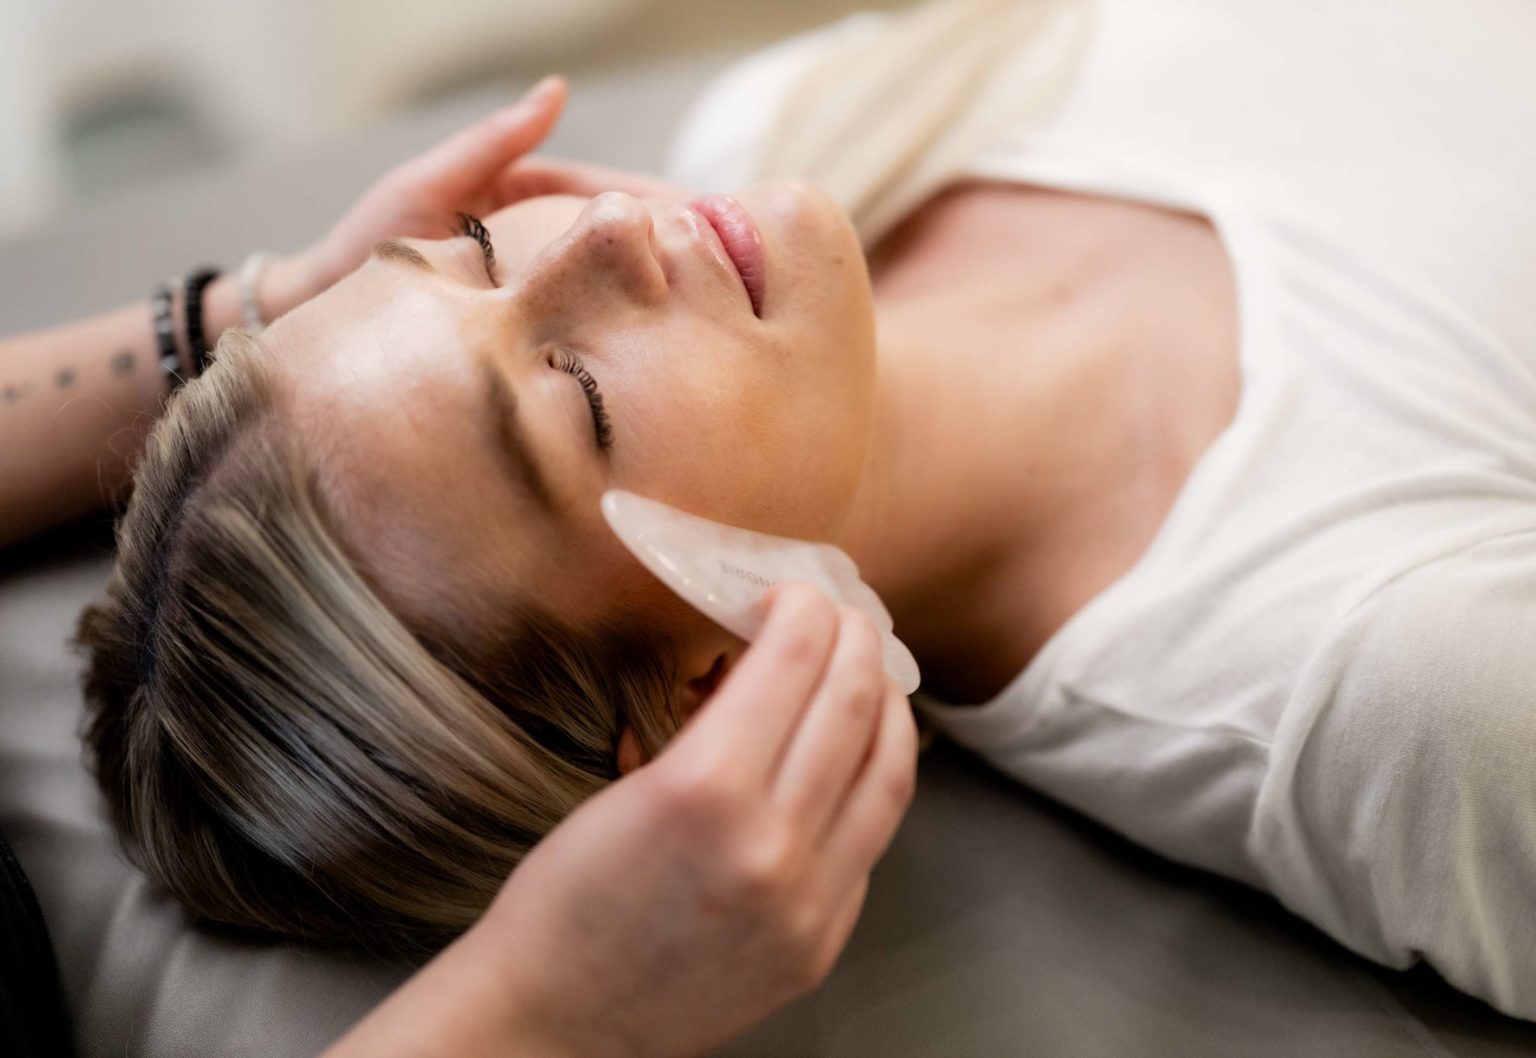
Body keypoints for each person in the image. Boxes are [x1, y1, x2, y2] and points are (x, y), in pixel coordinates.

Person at [5, 0, 1536, 1035]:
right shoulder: (1408, 690)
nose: (604, 229)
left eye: (471, 250)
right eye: (576, 399)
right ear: (708, 695)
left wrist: (260, 307)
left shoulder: (799, 120)